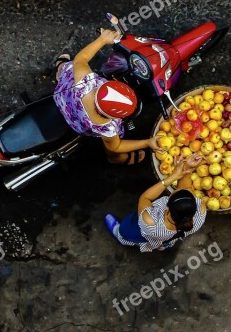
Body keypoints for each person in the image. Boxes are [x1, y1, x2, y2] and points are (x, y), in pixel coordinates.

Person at [53, 29, 160, 165]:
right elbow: (115, 146)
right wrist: (147, 142)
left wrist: (102, 39)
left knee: (67, 69)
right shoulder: (107, 127)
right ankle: (117, 159)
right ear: (113, 117)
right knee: (114, 152)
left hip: (63, 96)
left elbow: (80, 59)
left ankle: (59, 67)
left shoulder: (86, 84)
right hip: (78, 124)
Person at [104, 154, 207, 251]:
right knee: (165, 240)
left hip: (147, 233)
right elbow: (186, 187)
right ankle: (164, 245)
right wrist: (187, 169)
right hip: (168, 236)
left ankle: (119, 235)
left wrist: (173, 177)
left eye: (175, 192)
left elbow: (145, 198)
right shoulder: (200, 210)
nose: (182, 188)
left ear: (167, 208)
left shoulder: (151, 222)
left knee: (126, 231)